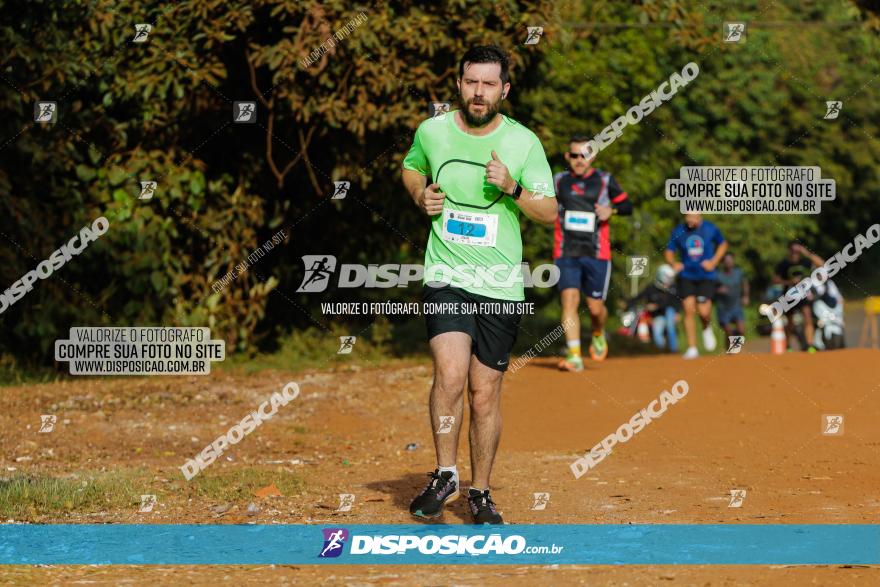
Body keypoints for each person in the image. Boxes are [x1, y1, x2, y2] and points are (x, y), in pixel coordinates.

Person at [400, 45, 557, 524]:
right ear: (459, 84)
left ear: (504, 90)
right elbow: (411, 166)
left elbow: (550, 212)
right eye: (472, 82)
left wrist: (512, 187)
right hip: (446, 274)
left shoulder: (523, 143)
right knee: (449, 375)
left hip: (500, 284)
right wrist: (419, 193)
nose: (480, 92)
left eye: (490, 84)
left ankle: (480, 492)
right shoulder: (433, 131)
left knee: (484, 392)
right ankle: (445, 473)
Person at [553, 135, 633, 371]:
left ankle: (598, 331)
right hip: (566, 250)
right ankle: (574, 355)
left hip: (597, 253)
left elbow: (628, 206)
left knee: (595, 308)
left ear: (593, 155)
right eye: (575, 155)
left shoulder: (605, 180)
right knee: (569, 299)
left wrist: (613, 210)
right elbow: (542, 203)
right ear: (568, 157)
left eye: (585, 155)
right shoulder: (558, 181)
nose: (579, 160)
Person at [664, 213, 728, 359]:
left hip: (706, 276)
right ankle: (692, 348)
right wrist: (674, 263)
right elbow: (669, 251)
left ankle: (706, 327)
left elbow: (723, 244)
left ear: (700, 216)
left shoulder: (710, 228)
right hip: (686, 276)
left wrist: (714, 262)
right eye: (688, 217)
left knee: (704, 311)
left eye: (694, 217)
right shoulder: (679, 231)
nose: (691, 220)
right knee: (688, 309)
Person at [773, 241, 825, 351]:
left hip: (803, 295)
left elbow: (822, 264)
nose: (795, 253)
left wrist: (807, 253)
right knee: (790, 322)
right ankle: (787, 345)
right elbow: (775, 280)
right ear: (789, 251)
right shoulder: (783, 264)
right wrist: (790, 281)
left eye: (797, 251)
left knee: (808, 318)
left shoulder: (805, 261)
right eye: (793, 251)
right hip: (789, 296)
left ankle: (810, 344)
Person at [627, 263, 681, 352]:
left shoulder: (673, 288)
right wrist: (628, 303)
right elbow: (638, 297)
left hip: (669, 313)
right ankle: (662, 351)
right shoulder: (651, 288)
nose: (670, 280)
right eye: (668, 278)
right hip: (657, 315)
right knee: (657, 332)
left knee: (671, 326)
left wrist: (678, 313)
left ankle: (674, 350)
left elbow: (675, 302)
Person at [715, 252, 749, 338]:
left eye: (730, 260)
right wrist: (718, 290)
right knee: (728, 331)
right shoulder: (718, 275)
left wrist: (745, 296)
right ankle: (729, 349)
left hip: (736, 306)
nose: (729, 263)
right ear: (723, 263)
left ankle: (735, 345)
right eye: (726, 261)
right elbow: (710, 289)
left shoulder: (738, 272)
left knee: (741, 331)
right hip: (723, 308)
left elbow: (745, 284)